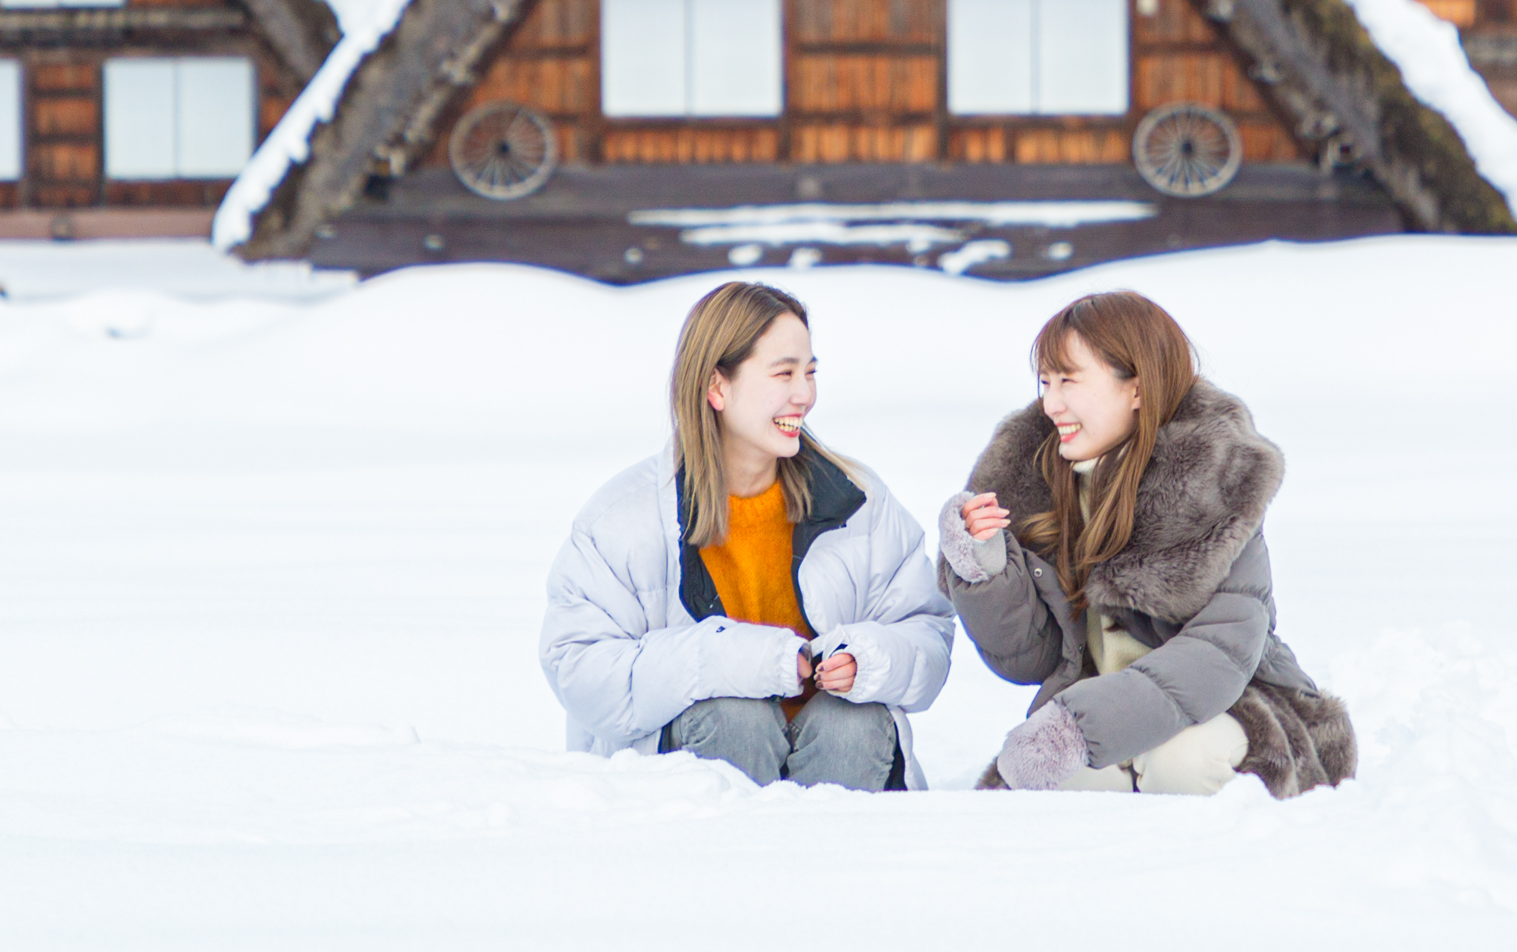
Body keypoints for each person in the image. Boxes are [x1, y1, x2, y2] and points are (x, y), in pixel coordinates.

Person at [937, 290, 1354, 797]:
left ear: (1136, 387)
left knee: (1182, 762)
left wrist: (1078, 727)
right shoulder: (1041, 483)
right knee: (1063, 783)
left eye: (1069, 380)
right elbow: (1032, 659)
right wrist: (986, 568)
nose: (1050, 403)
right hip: (1096, 711)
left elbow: (1218, 653)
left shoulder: (1217, 480)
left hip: (1229, 709)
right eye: (1045, 382)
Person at [542, 280, 953, 789]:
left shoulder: (859, 501)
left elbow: (927, 629)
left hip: (837, 762)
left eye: (810, 372)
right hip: (690, 787)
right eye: (783, 373)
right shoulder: (622, 519)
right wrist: (733, 658)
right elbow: (580, 670)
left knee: (855, 723)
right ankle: (727, 865)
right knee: (735, 716)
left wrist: (867, 658)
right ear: (717, 387)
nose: (804, 394)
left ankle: (843, 866)